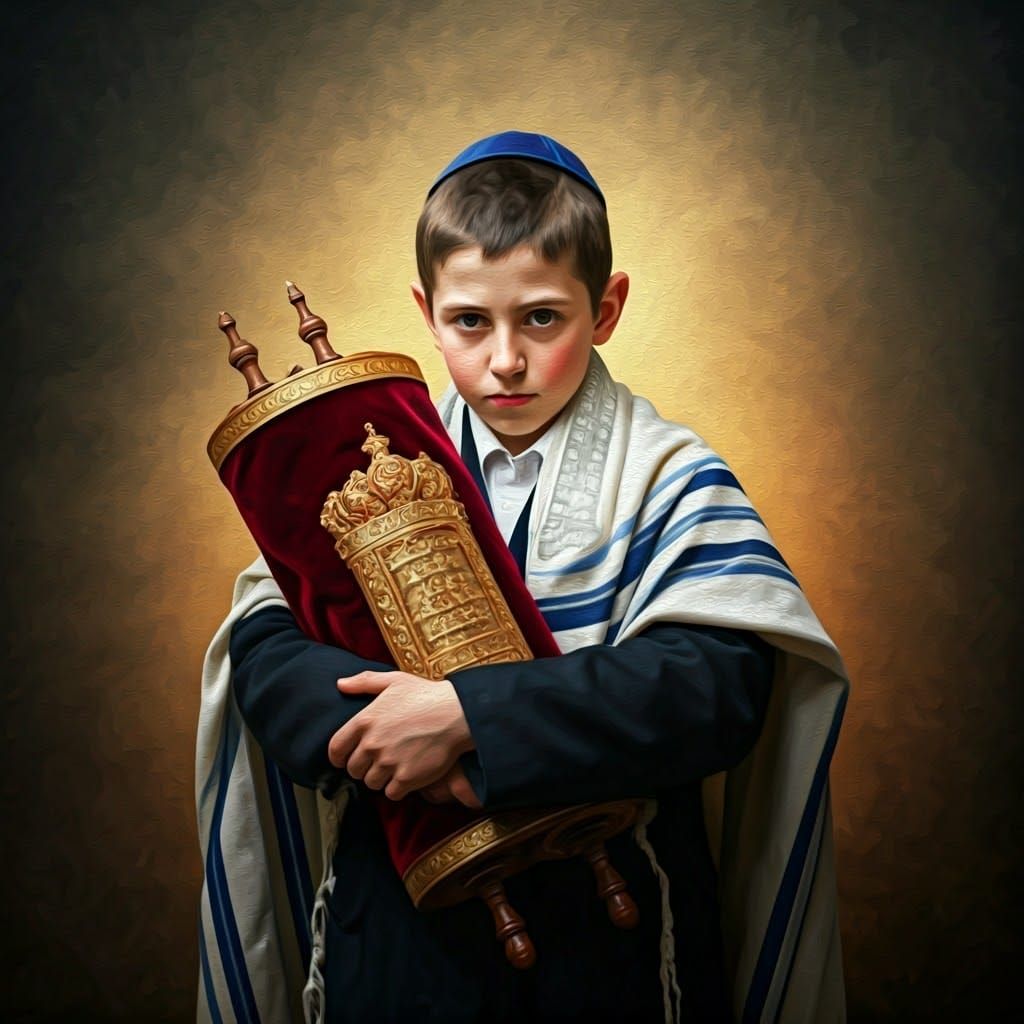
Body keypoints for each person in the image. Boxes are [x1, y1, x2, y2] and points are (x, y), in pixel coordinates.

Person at [196, 132, 849, 1023]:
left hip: (608, 949)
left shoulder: (667, 475)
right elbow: (268, 655)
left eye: (542, 318)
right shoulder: (351, 465)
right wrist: (388, 737)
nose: (505, 359)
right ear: (427, 312)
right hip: (399, 945)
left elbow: (714, 689)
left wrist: (468, 720)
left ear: (605, 308)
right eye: (471, 322)